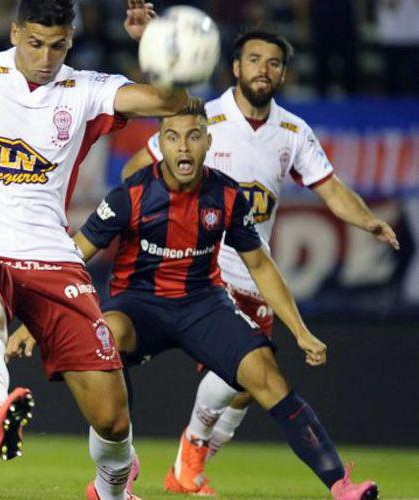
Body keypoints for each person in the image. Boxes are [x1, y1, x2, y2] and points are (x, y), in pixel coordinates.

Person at [0, 0, 178, 498]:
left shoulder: (87, 89)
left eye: (57, 46)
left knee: (111, 416)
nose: (45, 57)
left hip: (50, 254)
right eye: (35, 43)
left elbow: (172, 103)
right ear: (15, 32)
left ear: (71, 40)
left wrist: (152, 46)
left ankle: (111, 488)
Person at [9, 104, 379, 500]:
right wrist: (35, 320)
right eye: (172, 137)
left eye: (193, 136)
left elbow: (260, 265)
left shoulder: (227, 194)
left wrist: (300, 331)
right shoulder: (128, 197)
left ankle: (341, 485)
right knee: (106, 336)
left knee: (267, 376)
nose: (183, 147)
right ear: (159, 144)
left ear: (208, 141)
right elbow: (74, 256)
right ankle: (119, 466)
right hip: (138, 307)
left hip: (203, 304)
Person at [119, 29, 399, 495]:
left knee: (247, 385)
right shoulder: (200, 117)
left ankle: (189, 461)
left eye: (272, 63)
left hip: (254, 270)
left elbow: (329, 189)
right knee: (254, 369)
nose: (263, 70)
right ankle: (182, 453)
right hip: (201, 271)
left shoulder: (292, 132)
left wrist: (368, 221)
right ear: (235, 67)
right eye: (254, 60)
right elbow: (135, 171)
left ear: (283, 73)